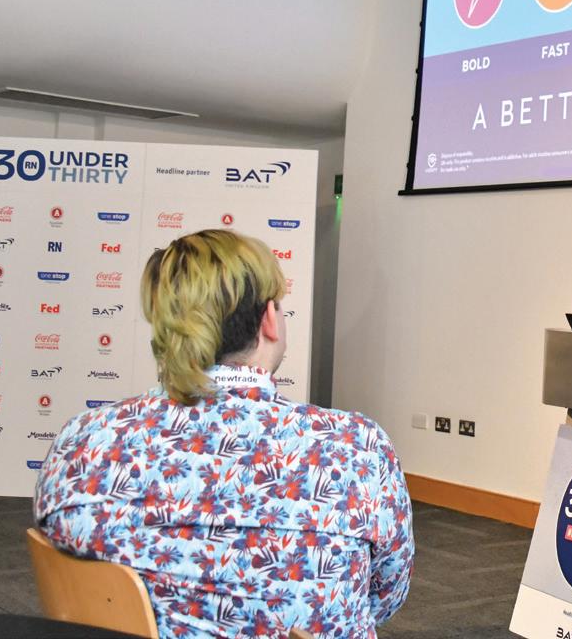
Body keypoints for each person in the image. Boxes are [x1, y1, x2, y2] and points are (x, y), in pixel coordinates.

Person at [35, 229, 413, 638]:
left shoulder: (84, 443)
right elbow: (384, 596)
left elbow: (70, 571)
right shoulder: (358, 447)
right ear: (269, 320)